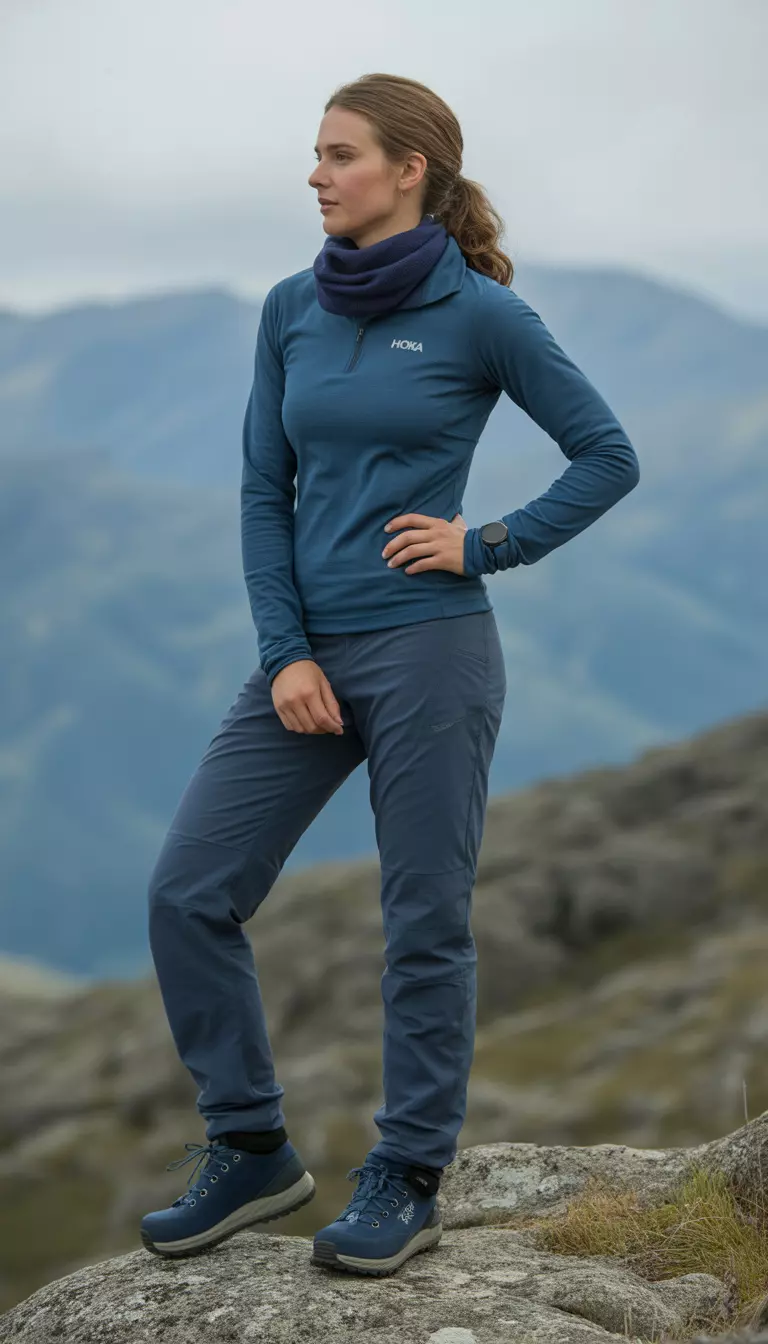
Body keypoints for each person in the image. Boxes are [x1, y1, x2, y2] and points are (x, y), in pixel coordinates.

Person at [140, 71, 640, 1277]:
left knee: (423, 920)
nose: (316, 175)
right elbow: (266, 493)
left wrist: (487, 542)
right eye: (316, 155)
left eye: (339, 154)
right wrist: (286, 654)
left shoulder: (482, 316)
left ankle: (407, 1174)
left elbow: (606, 454)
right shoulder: (288, 309)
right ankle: (251, 1147)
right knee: (187, 893)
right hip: (306, 660)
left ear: (409, 169)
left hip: (431, 652)